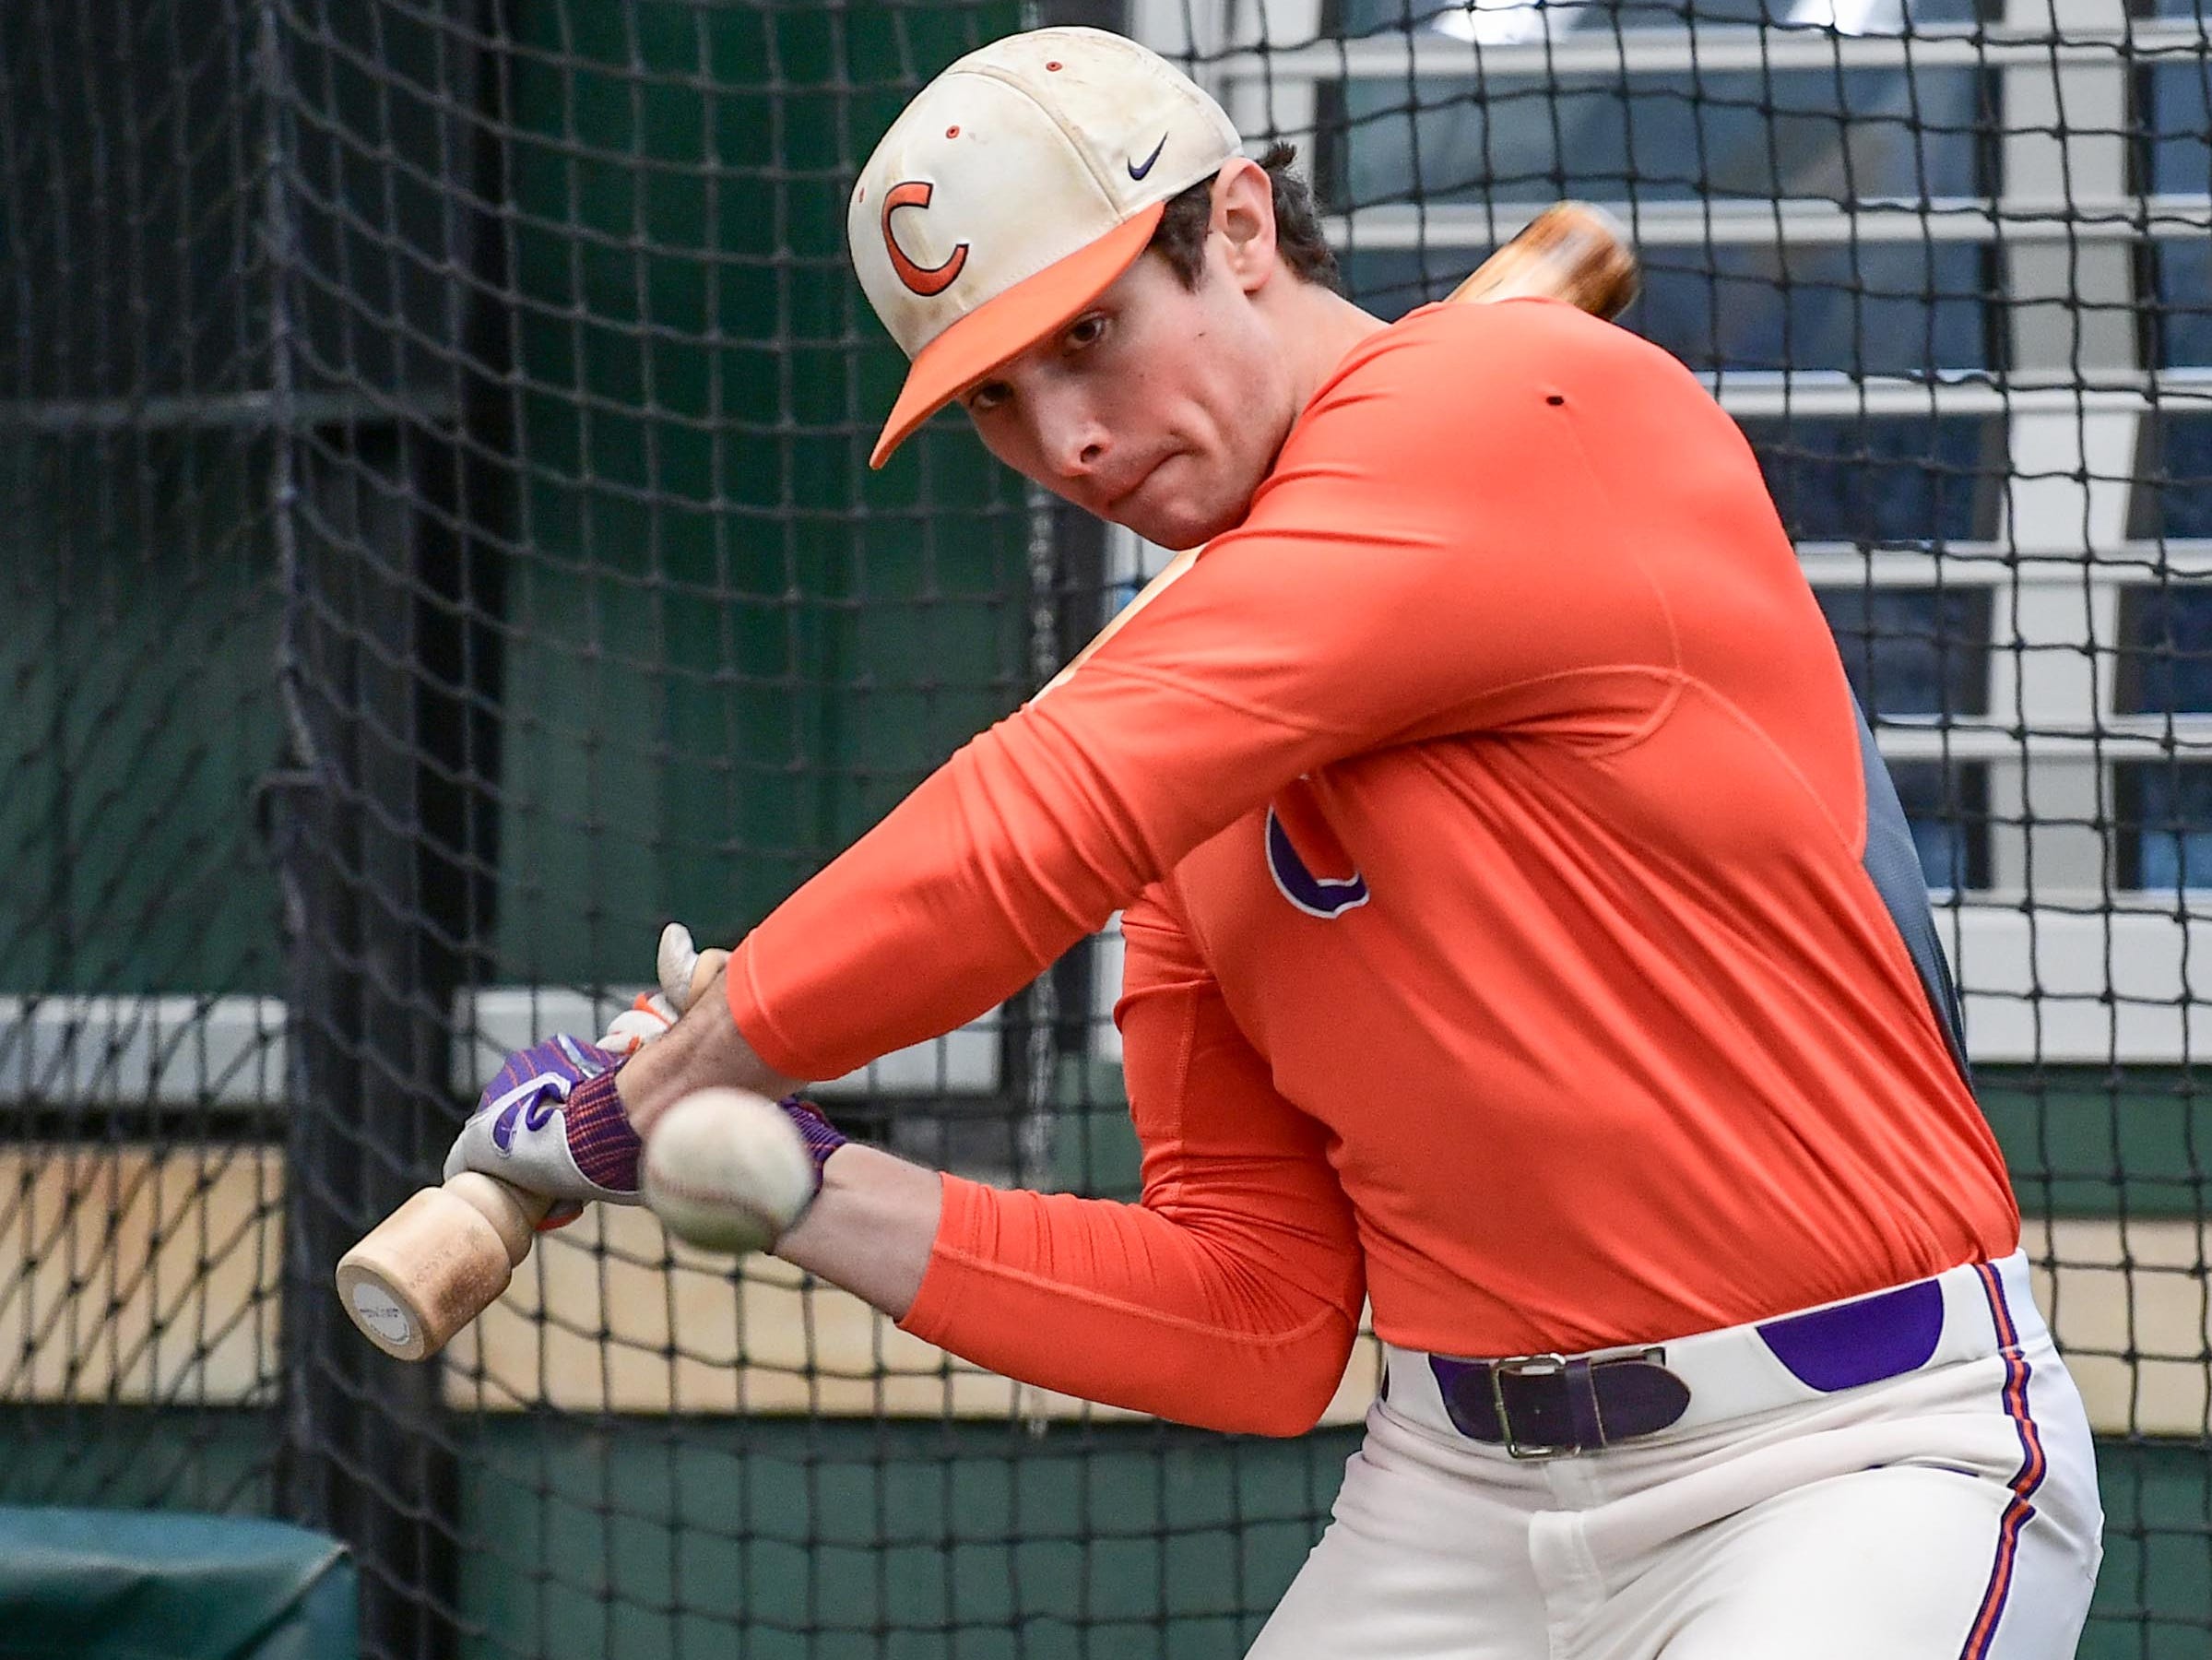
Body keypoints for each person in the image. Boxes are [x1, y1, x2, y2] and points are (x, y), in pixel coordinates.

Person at [444, 25, 2103, 1658]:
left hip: (1846, 1462)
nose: (1070, 443)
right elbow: (1253, 1320)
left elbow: (1035, 819)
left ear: (1236, 229)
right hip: (1459, 1493)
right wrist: (771, 1170)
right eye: (1000, 404)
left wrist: (657, 1078)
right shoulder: (1191, 759)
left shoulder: (1505, 398)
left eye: (1090, 332)